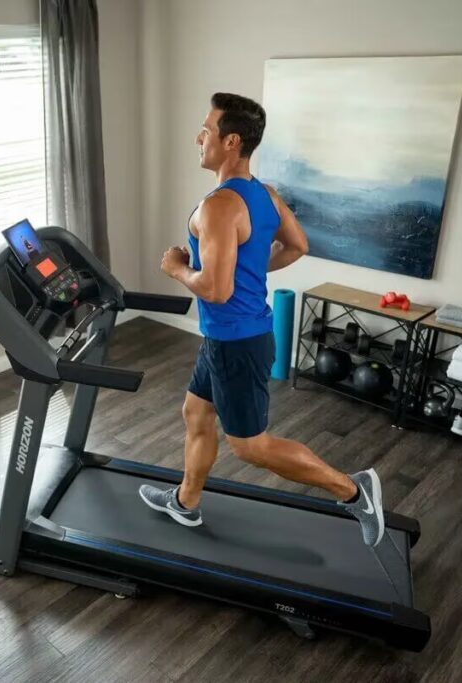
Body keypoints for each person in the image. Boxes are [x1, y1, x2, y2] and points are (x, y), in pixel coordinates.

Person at [138, 92, 385, 547]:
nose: (199, 137)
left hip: (236, 342)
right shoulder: (265, 196)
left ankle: (354, 492)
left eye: (206, 130)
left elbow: (215, 289)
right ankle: (187, 503)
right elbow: (298, 246)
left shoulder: (218, 206)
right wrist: (247, 269)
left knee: (251, 447)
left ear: (231, 141)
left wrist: (175, 267)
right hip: (231, 337)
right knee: (196, 411)